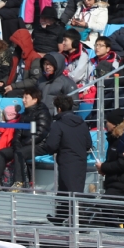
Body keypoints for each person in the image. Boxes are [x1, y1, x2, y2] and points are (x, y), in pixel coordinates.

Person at [36, 95, 93, 225]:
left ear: (59, 109)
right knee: (68, 189)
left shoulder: (59, 125)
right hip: (80, 161)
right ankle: (61, 216)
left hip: (66, 161)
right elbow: (88, 144)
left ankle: (81, 220)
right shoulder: (82, 123)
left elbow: (51, 145)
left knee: (71, 191)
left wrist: (48, 148)